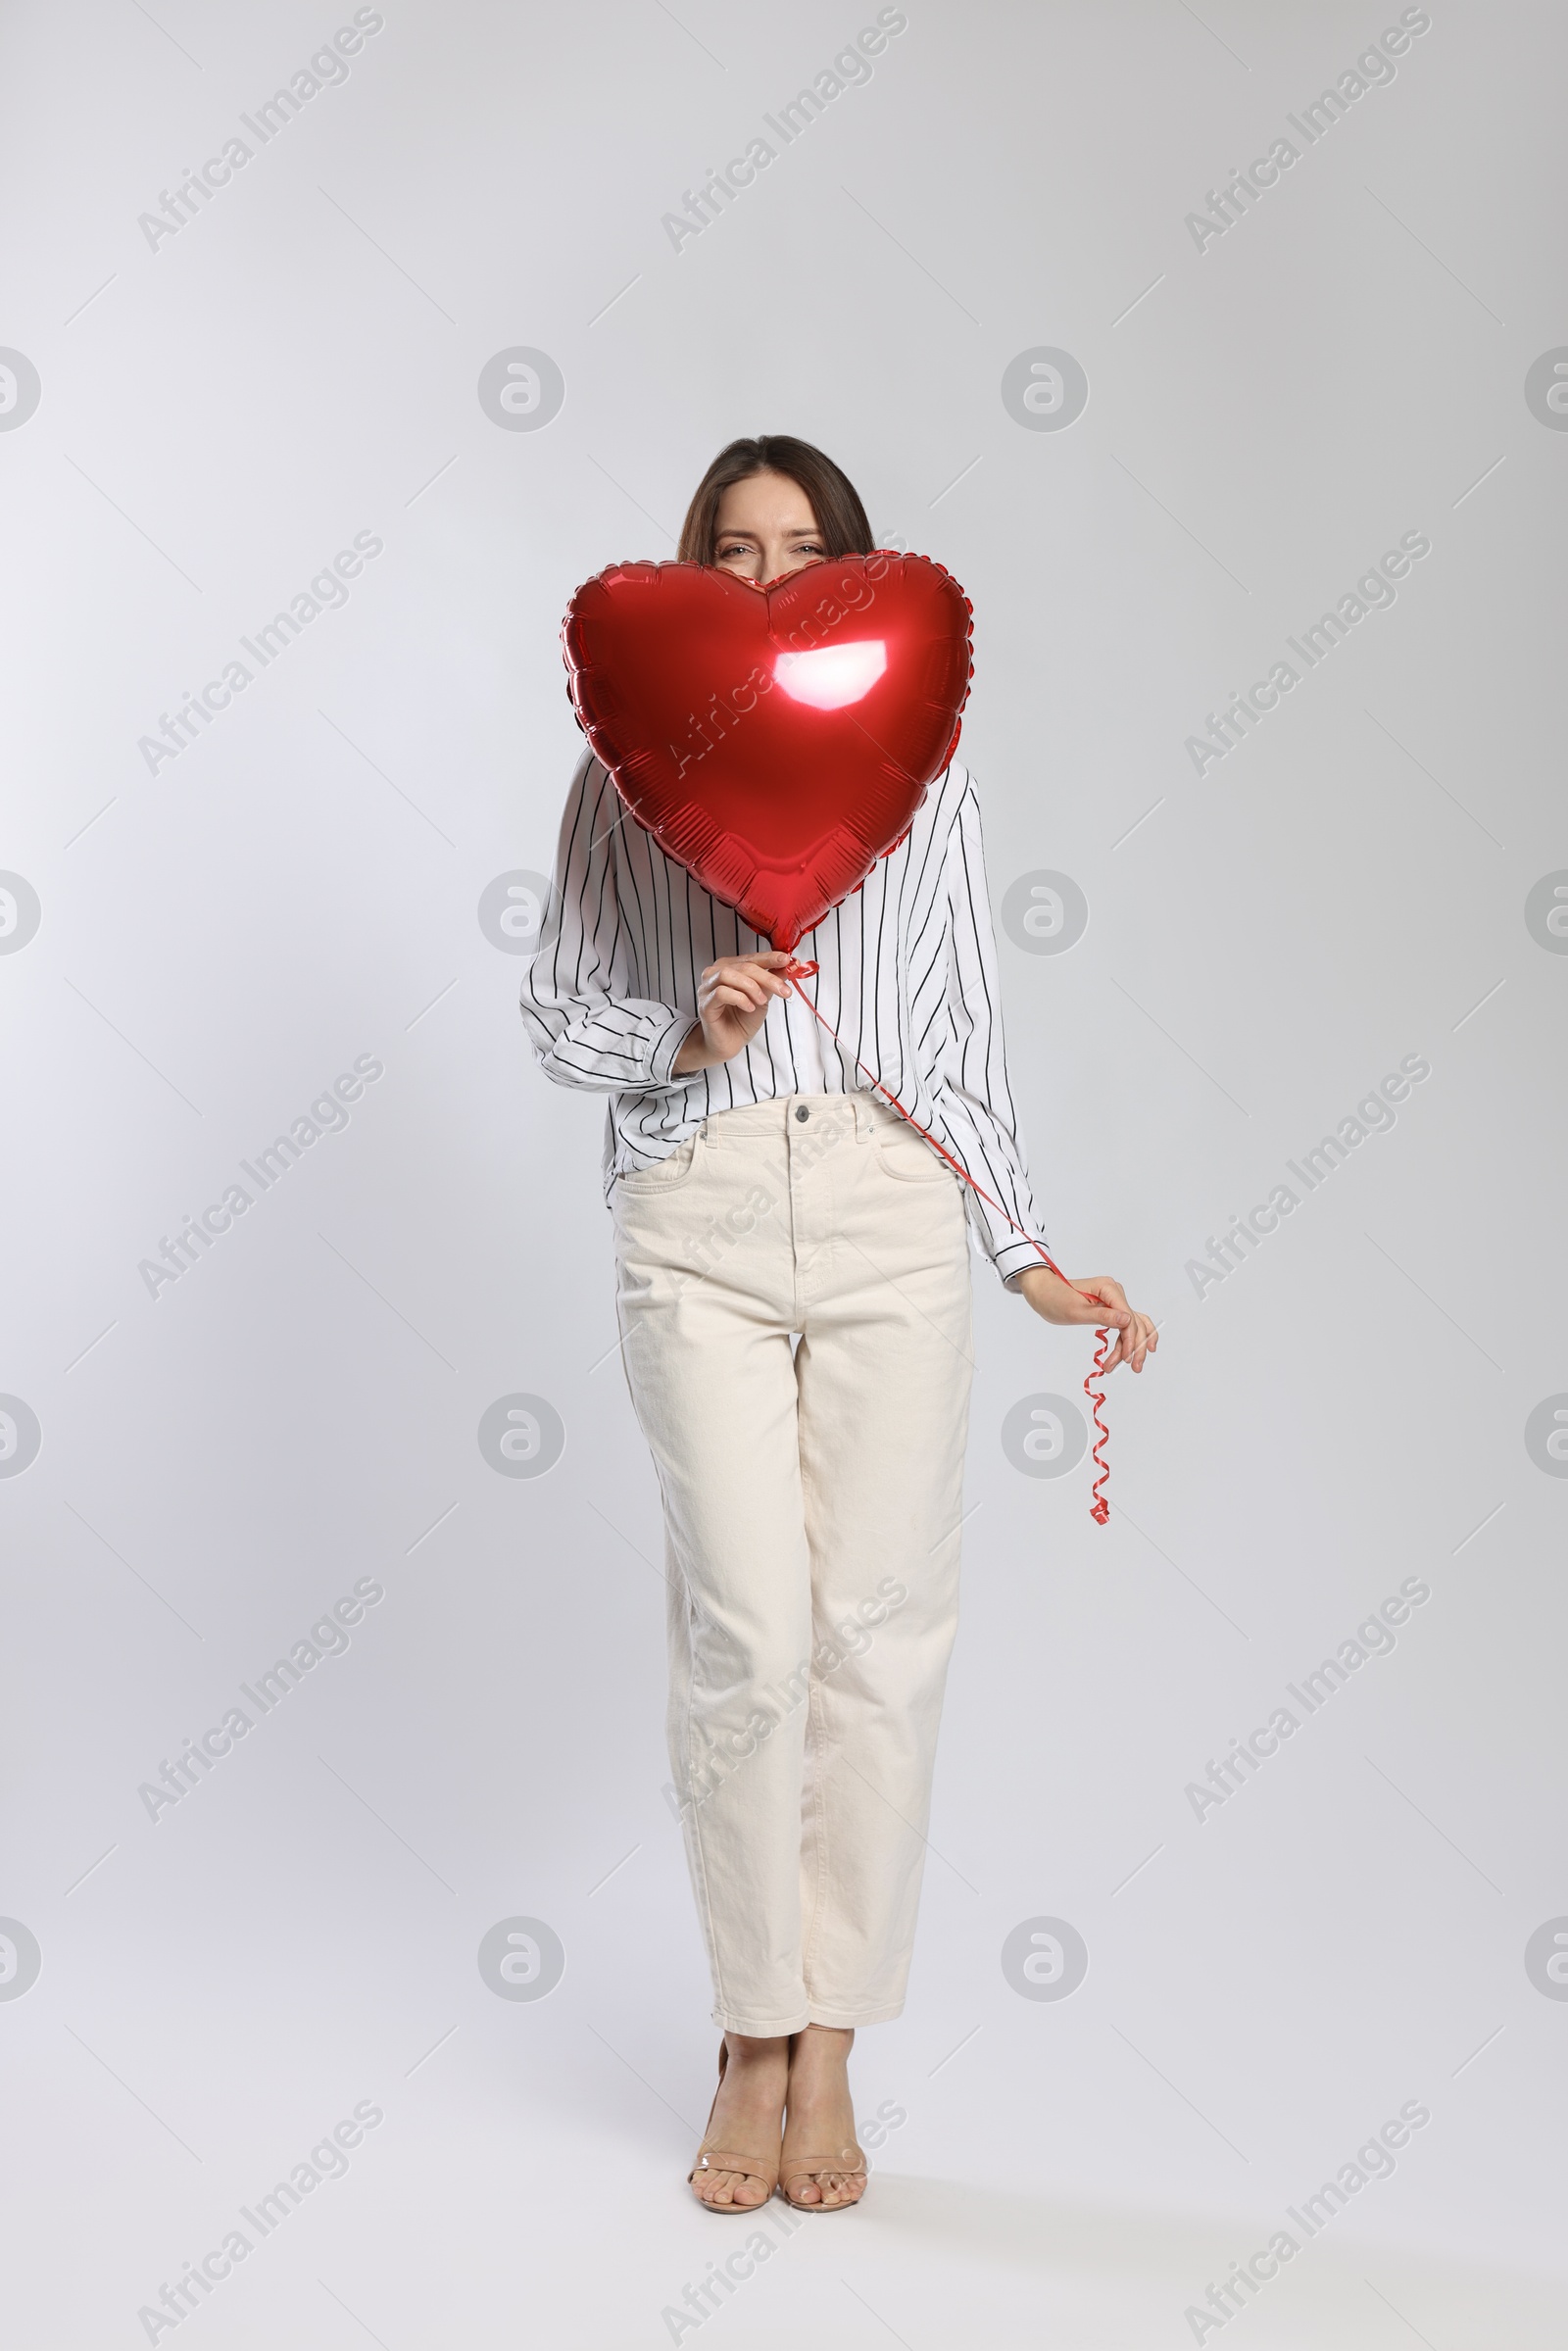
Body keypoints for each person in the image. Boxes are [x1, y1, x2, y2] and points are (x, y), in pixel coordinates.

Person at [520, 435, 1156, 2213]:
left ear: (856, 572)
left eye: (802, 548)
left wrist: (1028, 1252)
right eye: (733, 547)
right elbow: (561, 1016)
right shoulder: (620, 772)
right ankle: (745, 2026)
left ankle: (832, 2049)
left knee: (881, 1640)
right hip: (697, 1210)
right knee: (747, 1635)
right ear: (688, 571)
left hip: (887, 1212)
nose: (767, 574)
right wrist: (683, 1031)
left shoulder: (923, 766)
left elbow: (959, 1033)